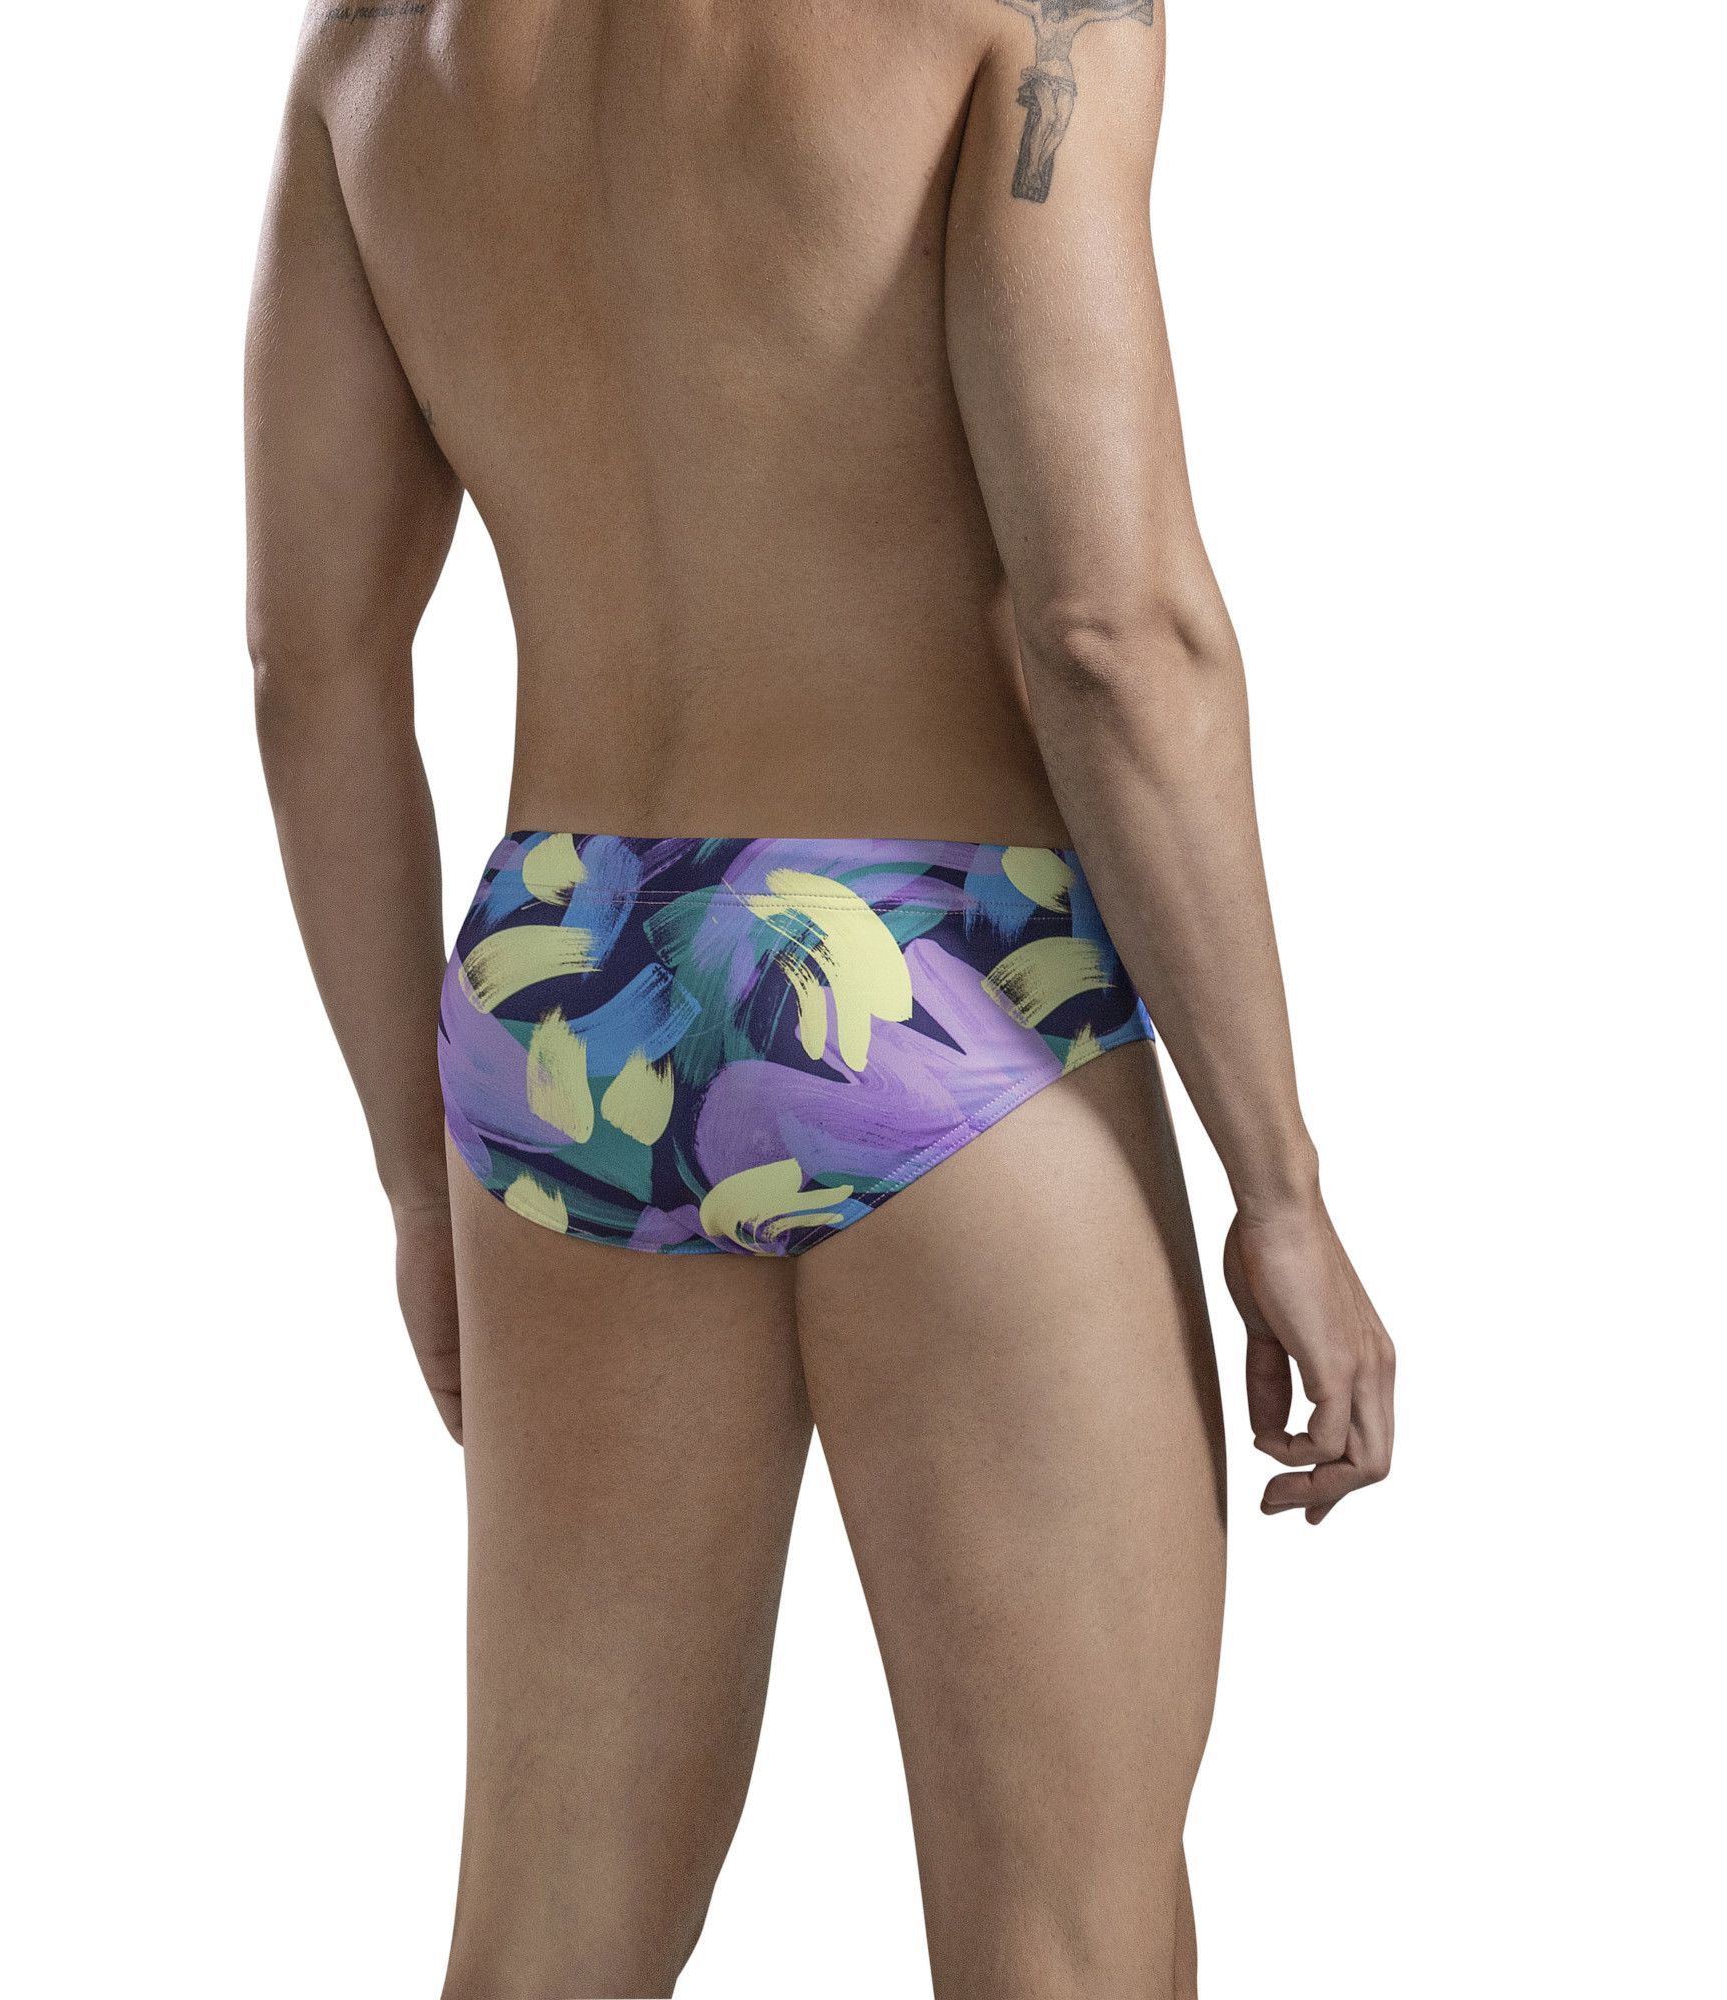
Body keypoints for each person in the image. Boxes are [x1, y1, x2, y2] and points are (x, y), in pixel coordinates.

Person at [245, 1, 1395, 1992]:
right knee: (1064, 1939)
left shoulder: (378, 48)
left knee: (546, 1939)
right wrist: (1277, 1182)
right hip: (937, 976)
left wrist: (419, 1176)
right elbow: (1109, 624)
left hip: (567, 992)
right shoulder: (1025, 15)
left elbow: (311, 663)